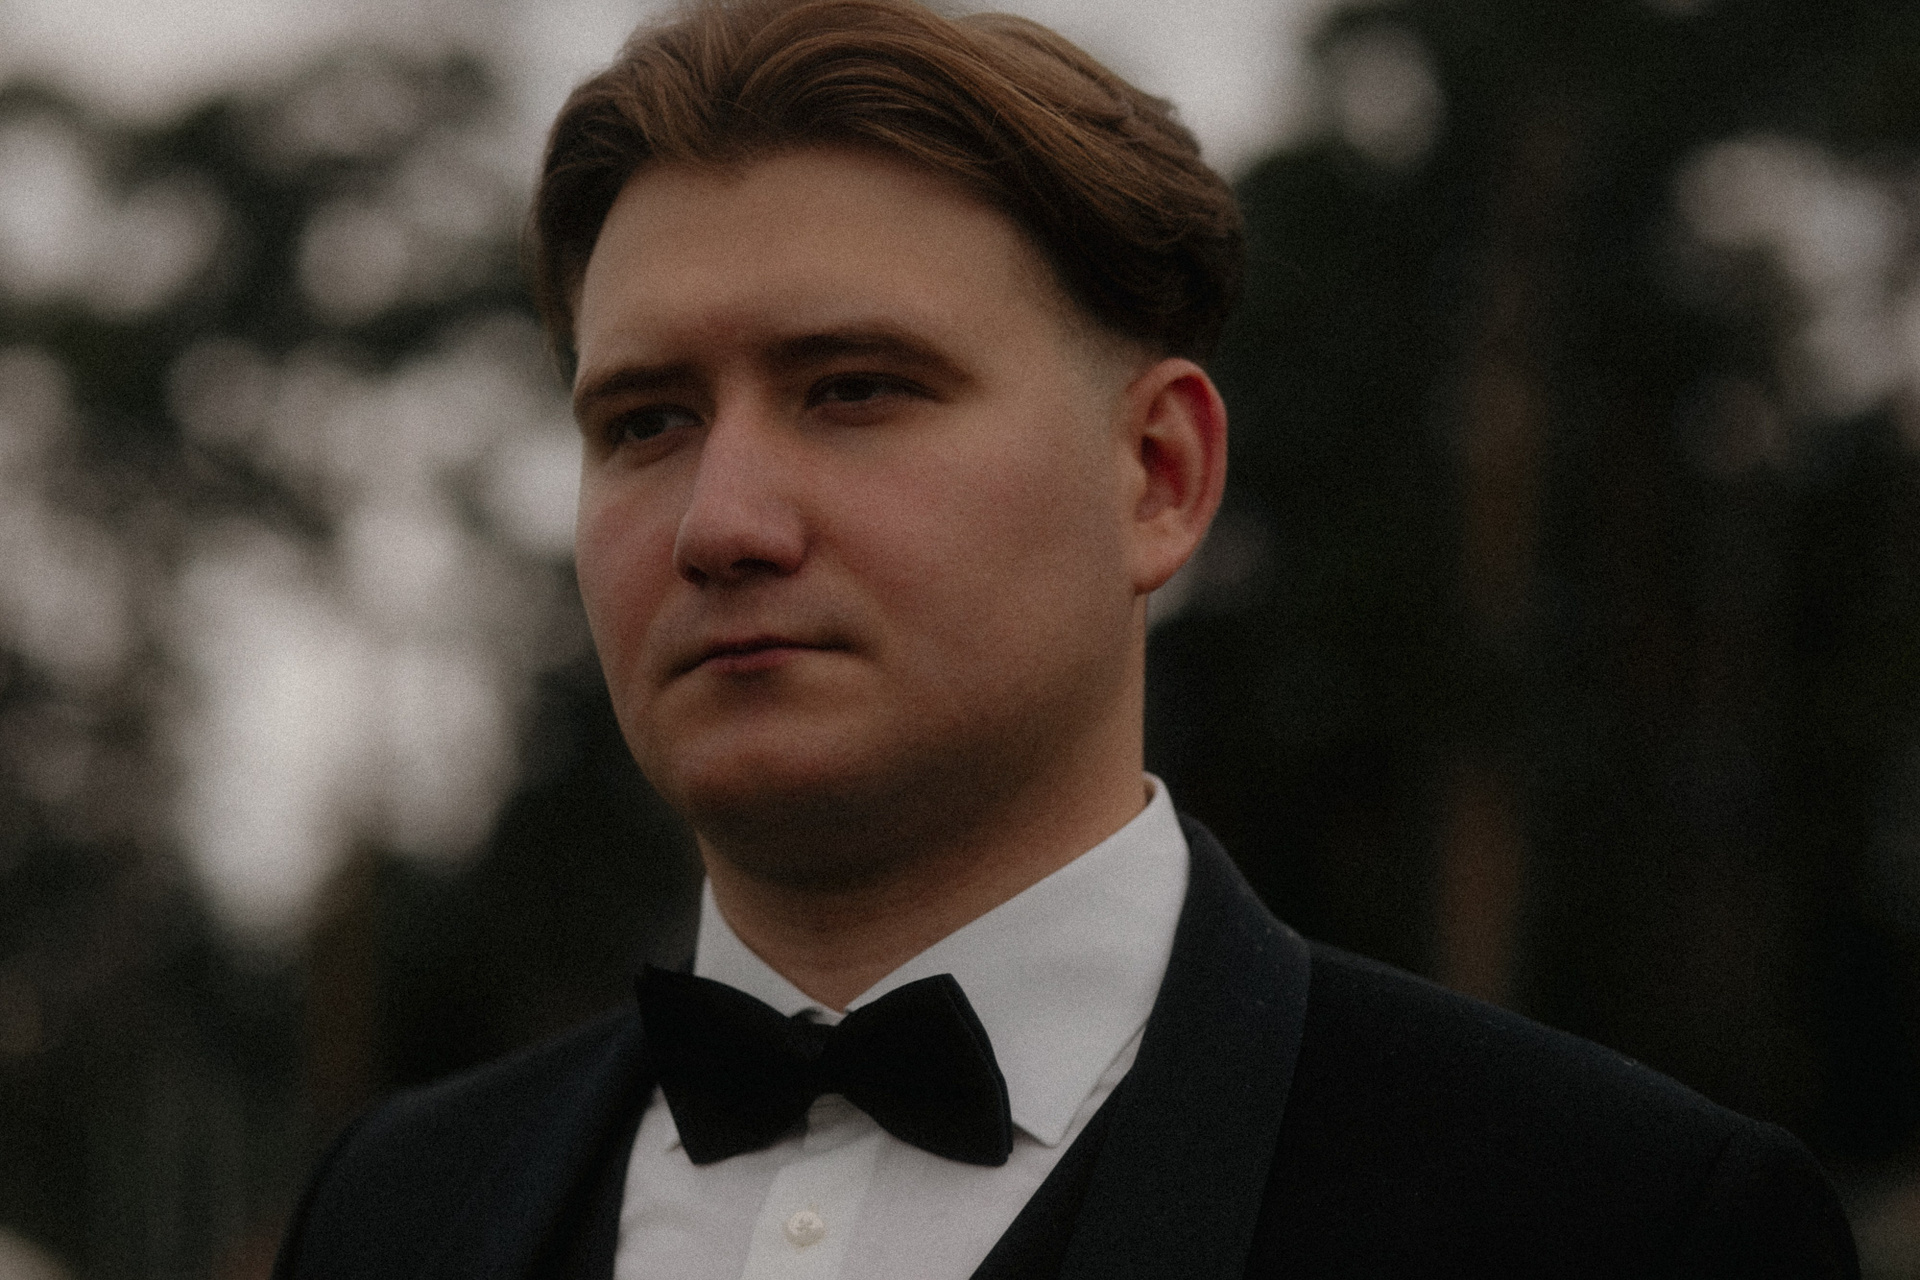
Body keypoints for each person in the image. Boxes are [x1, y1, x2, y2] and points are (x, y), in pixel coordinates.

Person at [272, 1, 1861, 1276]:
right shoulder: (390, 1212)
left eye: (855, 390)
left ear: (1157, 476)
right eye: (643, 421)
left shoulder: (1620, 1225)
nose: (721, 522)